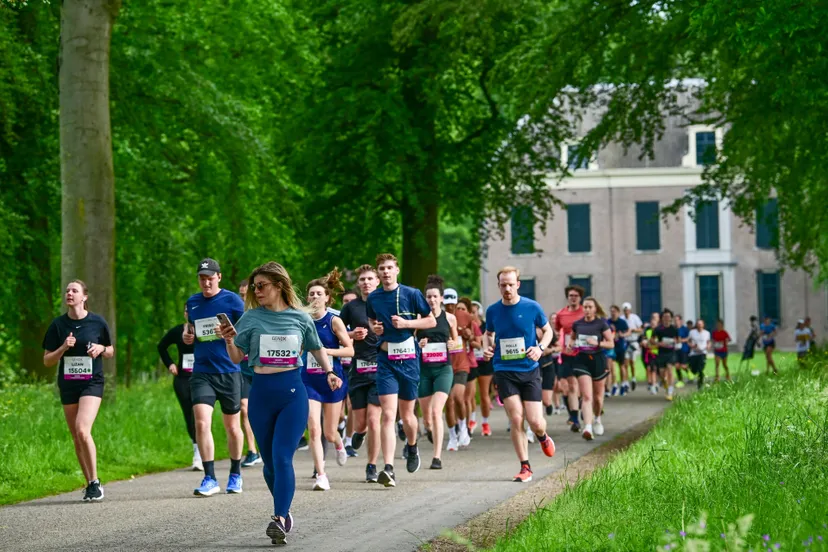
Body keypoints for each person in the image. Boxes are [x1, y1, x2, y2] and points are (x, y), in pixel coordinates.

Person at [217, 261, 341, 546]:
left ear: (279, 286)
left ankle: (279, 517)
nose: (256, 291)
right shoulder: (250, 319)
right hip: (261, 394)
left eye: (262, 286)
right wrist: (228, 340)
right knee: (270, 464)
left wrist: (330, 372)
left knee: (283, 456)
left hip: (293, 393)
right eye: (254, 286)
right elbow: (237, 357)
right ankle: (285, 513)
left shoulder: (300, 317)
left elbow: (315, 347)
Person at [366, 253, 436, 487]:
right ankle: (388, 468)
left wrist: (407, 324)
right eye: (381, 269)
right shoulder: (374, 297)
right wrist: (375, 328)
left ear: (396, 270)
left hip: (408, 359)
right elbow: (371, 322)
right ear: (378, 274)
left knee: (407, 415)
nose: (385, 272)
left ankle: (413, 446)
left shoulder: (411, 294)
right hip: (385, 359)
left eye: (389, 268)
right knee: (388, 414)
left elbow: (431, 321)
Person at [483, 266, 556, 483]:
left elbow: (549, 331)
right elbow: (488, 334)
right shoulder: (493, 311)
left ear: (518, 284)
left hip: (529, 370)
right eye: (503, 285)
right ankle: (525, 466)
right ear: (498, 286)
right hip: (504, 371)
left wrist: (540, 348)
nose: (507, 288)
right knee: (516, 418)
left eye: (510, 284)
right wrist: (487, 348)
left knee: (536, 422)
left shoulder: (532, 307)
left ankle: (542, 437)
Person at [43, 280, 114, 501]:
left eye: (74, 290)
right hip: (68, 383)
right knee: (76, 436)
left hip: (92, 382)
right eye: (67, 291)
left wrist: (101, 348)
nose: (69, 293)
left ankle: (95, 482)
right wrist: (63, 347)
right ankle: (90, 484)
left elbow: (110, 350)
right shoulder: (58, 325)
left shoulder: (97, 322)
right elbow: (46, 360)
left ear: (84, 297)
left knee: (82, 429)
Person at [183, 258, 245, 496]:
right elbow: (189, 328)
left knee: (232, 426)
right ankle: (209, 478)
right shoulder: (193, 301)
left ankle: (236, 473)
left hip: (229, 370)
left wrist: (229, 333)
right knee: (201, 422)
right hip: (202, 372)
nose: (206, 282)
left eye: (210, 277)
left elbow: (246, 330)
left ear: (219, 277)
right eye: (202, 278)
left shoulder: (231, 300)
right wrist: (188, 336)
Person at [303, 269, 354, 491]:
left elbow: (350, 351)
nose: (314, 297)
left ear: (327, 298)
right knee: (314, 428)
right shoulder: (302, 321)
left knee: (329, 432)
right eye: (311, 294)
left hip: (333, 380)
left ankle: (339, 444)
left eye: (318, 294)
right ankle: (321, 475)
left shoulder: (334, 321)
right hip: (308, 380)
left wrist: (326, 353)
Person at [340, 267, 382, 482]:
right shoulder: (351, 307)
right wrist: (351, 334)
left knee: (375, 420)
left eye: (370, 279)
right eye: (362, 279)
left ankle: (372, 465)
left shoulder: (385, 303)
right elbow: (335, 334)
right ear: (359, 283)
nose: (366, 282)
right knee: (361, 423)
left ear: (377, 281)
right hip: (358, 369)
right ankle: (359, 433)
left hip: (380, 367)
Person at [417, 275, 457, 467]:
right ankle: (431, 431)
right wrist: (419, 343)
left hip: (443, 369)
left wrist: (452, 344)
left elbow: (457, 343)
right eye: (428, 297)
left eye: (434, 296)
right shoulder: (420, 318)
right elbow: (412, 342)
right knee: (427, 419)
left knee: (435, 411)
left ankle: (437, 457)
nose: (431, 300)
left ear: (441, 298)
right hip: (424, 370)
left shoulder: (450, 318)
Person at [157, 304, 201, 471]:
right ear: (184, 313)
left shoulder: (204, 329)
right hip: (183, 378)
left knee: (200, 415)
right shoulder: (177, 331)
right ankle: (197, 452)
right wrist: (170, 364)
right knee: (189, 414)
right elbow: (161, 346)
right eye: (186, 310)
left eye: (192, 310)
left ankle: (204, 450)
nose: (189, 313)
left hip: (202, 377)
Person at [567, 297, 614, 440]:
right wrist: (571, 345)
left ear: (595, 309)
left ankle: (597, 418)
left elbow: (611, 344)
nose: (587, 309)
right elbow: (572, 338)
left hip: (598, 360)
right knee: (587, 396)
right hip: (582, 360)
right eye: (585, 307)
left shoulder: (601, 324)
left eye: (590, 307)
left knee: (598, 398)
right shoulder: (577, 324)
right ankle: (587, 427)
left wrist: (597, 342)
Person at [443, 288, 474, 450]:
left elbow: (474, 337)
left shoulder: (465, 316)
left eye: (452, 304)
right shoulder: (436, 317)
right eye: (446, 304)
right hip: (444, 364)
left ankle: (463, 428)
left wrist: (469, 335)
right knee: (448, 402)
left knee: (458, 397)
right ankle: (452, 436)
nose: (449, 307)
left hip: (461, 364)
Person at [237, 280, 262, 468]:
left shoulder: (264, 315)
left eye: (247, 294)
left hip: (264, 371)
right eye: (242, 295)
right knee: (245, 408)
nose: (244, 298)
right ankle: (252, 451)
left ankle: (267, 446)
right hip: (243, 371)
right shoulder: (238, 316)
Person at [555, 285, 585, 431]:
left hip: (584, 353)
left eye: (576, 296)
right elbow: (557, 331)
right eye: (571, 295)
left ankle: (585, 405)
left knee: (582, 386)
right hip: (567, 353)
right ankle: (575, 419)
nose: (573, 298)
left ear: (580, 298)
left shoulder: (585, 312)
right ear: (567, 297)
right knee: (570, 385)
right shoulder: (561, 314)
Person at [458, 297, 483, 437]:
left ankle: (467, 427)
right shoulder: (452, 322)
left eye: (463, 309)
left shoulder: (472, 324)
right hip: (456, 364)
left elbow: (479, 345)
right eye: (458, 309)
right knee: (457, 399)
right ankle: (460, 424)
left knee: (467, 398)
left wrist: (469, 338)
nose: (460, 311)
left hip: (471, 363)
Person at [471, 300, 494, 436]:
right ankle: (472, 420)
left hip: (485, 362)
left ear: (479, 313)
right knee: (470, 394)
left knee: (484, 394)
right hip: (471, 361)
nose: (471, 315)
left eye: (474, 312)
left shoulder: (486, 326)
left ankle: (485, 423)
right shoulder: (466, 326)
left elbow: (491, 340)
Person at [652, 309, 678, 401]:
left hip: (671, 353)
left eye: (668, 317)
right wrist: (659, 343)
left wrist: (675, 342)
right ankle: (665, 383)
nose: (667, 318)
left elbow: (678, 340)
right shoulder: (658, 329)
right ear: (662, 318)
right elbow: (651, 340)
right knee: (662, 374)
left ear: (671, 318)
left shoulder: (674, 329)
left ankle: (670, 392)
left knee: (670, 369)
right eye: (665, 317)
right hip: (661, 353)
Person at [620, 302, 643, 390]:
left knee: (632, 362)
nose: (626, 312)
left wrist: (633, 330)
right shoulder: (622, 319)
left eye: (627, 310)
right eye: (625, 310)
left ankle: (633, 378)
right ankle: (625, 381)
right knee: (625, 363)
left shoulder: (635, 318)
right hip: (625, 342)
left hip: (633, 342)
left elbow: (641, 329)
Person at [608, 305, 630, 396]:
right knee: (612, 367)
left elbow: (628, 331)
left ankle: (624, 383)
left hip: (620, 347)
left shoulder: (622, 322)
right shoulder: (607, 322)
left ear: (618, 312)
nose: (613, 313)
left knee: (622, 366)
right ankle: (614, 385)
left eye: (614, 311)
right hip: (611, 347)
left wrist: (623, 335)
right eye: (611, 311)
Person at [687, 319, 711, 388]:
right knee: (693, 369)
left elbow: (708, 342)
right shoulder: (692, 332)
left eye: (701, 324)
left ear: (703, 325)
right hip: (693, 353)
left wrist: (708, 346)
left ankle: (700, 384)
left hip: (702, 353)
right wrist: (691, 345)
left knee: (700, 369)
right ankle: (694, 373)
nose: (699, 325)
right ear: (696, 325)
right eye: (698, 324)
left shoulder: (707, 333)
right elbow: (688, 341)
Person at [674, 315, 690, 387]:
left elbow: (689, 338)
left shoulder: (685, 329)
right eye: (675, 320)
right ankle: (680, 381)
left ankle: (689, 372)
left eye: (677, 320)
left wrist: (682, 340)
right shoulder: (673, 329)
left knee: (683, 366)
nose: (676, 321)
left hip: (683, 349)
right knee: (677, 366)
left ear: (680, 321)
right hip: (675, 349)